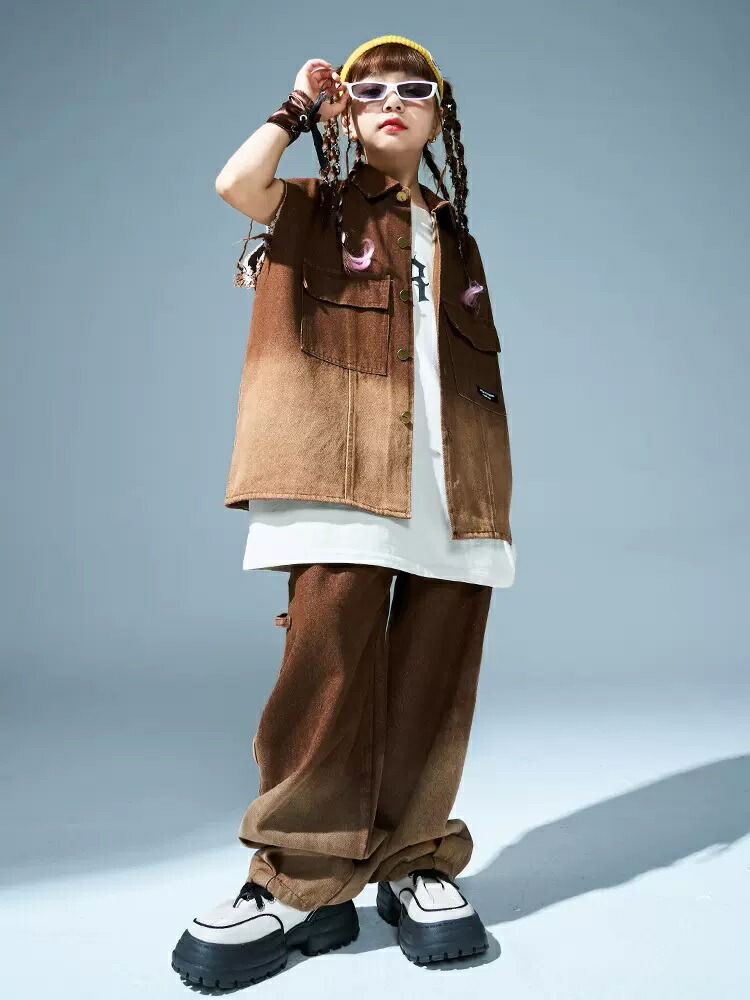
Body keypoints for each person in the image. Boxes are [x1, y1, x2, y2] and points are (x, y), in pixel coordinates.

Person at [171, 35, 516, 989]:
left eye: (414, 88)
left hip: (455, 483)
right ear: (346, 113)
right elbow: (235, 182)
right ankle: (296, 881)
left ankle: (412, 860)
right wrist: (296, 109)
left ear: (439, 114)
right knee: (324, 673)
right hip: (340, 470)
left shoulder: (457, 235)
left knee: (434, 680)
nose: (391, 99)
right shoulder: (310, 205)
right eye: (368, 90)